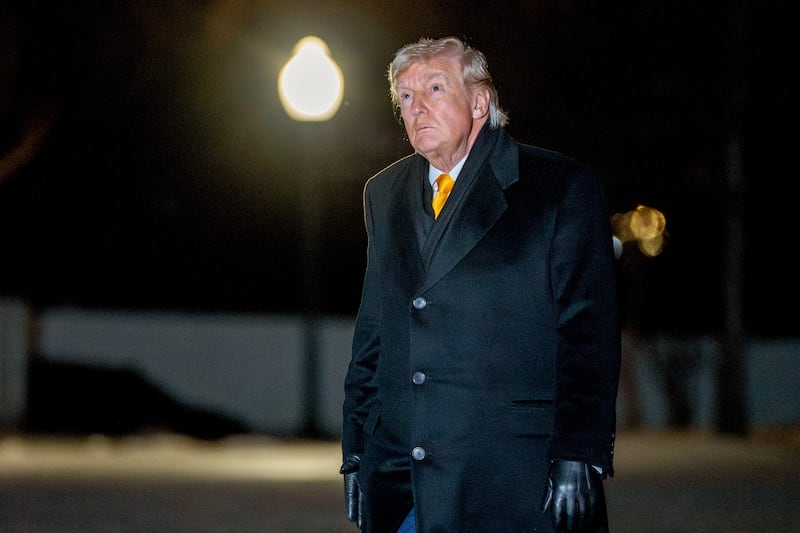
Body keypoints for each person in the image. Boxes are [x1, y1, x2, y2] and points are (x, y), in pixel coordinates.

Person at [340, 36, 620, 533]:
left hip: (514, 476)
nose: (417, 106)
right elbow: (374, 329)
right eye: (405, 96)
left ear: (479, 101)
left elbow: (588, 335)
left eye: (434, 87)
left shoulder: (558, 186)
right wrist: (357, 448)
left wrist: (579, 451)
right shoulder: (383, 193)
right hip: (403, 479)